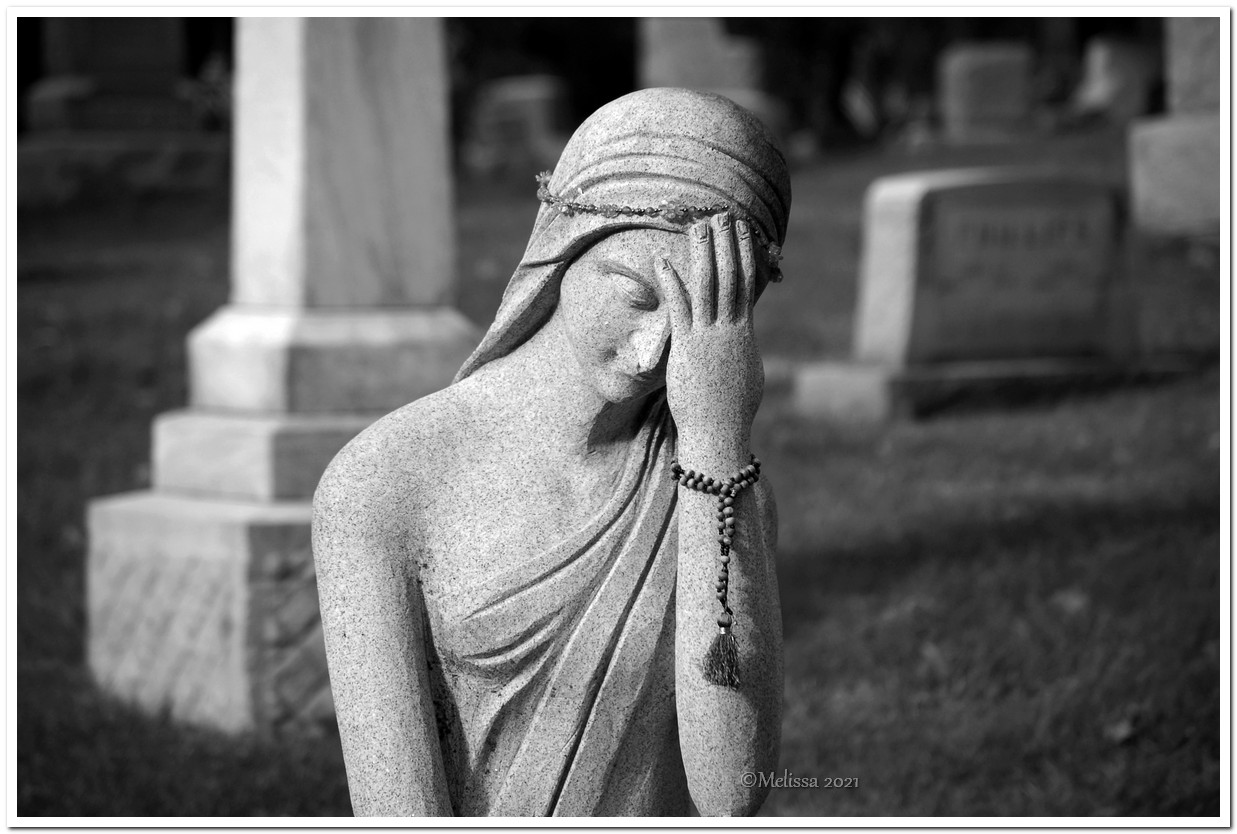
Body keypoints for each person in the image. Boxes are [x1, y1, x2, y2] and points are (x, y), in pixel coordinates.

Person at [312, 88, 791, 817]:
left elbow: (733, 795)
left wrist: (715, 439)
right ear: (561, 247)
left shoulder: (718, 489)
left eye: (703, 320)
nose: (653, 353)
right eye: (636, 293)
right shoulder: (386, 482)